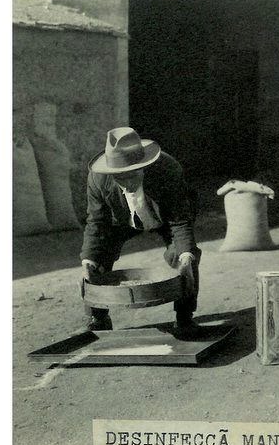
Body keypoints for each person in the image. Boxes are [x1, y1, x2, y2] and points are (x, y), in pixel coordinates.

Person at [80, 127, 201, 332]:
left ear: (144, 167)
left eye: (131, 176)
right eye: (119, 177)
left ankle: (185, 316)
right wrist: (89, 258)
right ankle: (97, 319)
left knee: (184, 258)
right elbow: (97, 222)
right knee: (96, 259)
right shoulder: (98, 179)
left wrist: (186, 254)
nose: (126, 184)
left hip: (165, 218)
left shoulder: (168, 170)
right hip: (122, 220)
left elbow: (179, 221)